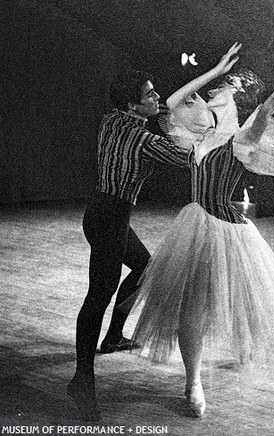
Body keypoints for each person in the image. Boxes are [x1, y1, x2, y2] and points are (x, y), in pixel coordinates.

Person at [120, 43, 274, 418]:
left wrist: (265, 111)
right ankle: (192, 381)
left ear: (239, 102)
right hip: (196, 221)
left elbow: (250, 138)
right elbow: (173, 100)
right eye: (219, 87)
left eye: (226, 88)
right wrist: (217, 69)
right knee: (194, 309)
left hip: (222, 230)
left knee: (225, 301)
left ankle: (224, 363)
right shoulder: (200, 134)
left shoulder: (239, 141)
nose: (215, 91)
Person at [67, 70, 190, 422]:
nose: (157, 97)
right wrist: (173, 120)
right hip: (110, 220)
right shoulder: (141, 139)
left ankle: (114, 337)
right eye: (150, 95)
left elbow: (153, 122)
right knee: (97, 297)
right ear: (132, 105)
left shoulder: (112, 120)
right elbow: (185, 159)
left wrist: (160, 112)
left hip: (103, 213)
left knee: (144, 268)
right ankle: (82, 382)